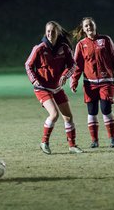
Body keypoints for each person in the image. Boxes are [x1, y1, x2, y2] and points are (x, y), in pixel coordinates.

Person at [25, 21, 83, 154]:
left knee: (68, 117)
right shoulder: (39, 48)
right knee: (54, 114)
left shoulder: (64, 48)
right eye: (48, 31)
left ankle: (72, 146)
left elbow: (72, 65)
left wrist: (65, 76)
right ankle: (44, 143)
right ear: (45, 32)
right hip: (42, 88)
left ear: (58, 33)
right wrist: (34, 80)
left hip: (57, 88)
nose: (50, 33)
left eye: (53, 31)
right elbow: (28, 65)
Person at [70, 17, 114, 148]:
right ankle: (94, 140)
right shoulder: (81, 45)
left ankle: (112, 139)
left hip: (107, 81)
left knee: (106, 109)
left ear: (95, 26)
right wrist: (74, 81)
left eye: (91, 25)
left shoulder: (106, 40)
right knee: (92, 111)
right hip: (90, 83)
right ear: (83, 29)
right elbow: (77, 65)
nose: (89, 27)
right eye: (86, 26)